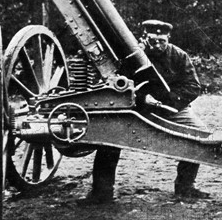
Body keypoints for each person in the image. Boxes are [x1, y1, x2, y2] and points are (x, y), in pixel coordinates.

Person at [85, 19, 210, 203]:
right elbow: (120, 84)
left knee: (200, 134)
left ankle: (185, 187)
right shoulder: (133, 57)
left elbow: (193, 86)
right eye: (153, 41)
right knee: (109, 138)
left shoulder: (179, 56)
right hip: (137, 109)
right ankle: (101, 193)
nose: (157, 45)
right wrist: (143, 98)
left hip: (173, 109)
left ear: (168, 37)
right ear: (145, 38)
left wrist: (167, 100)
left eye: (162, 41)